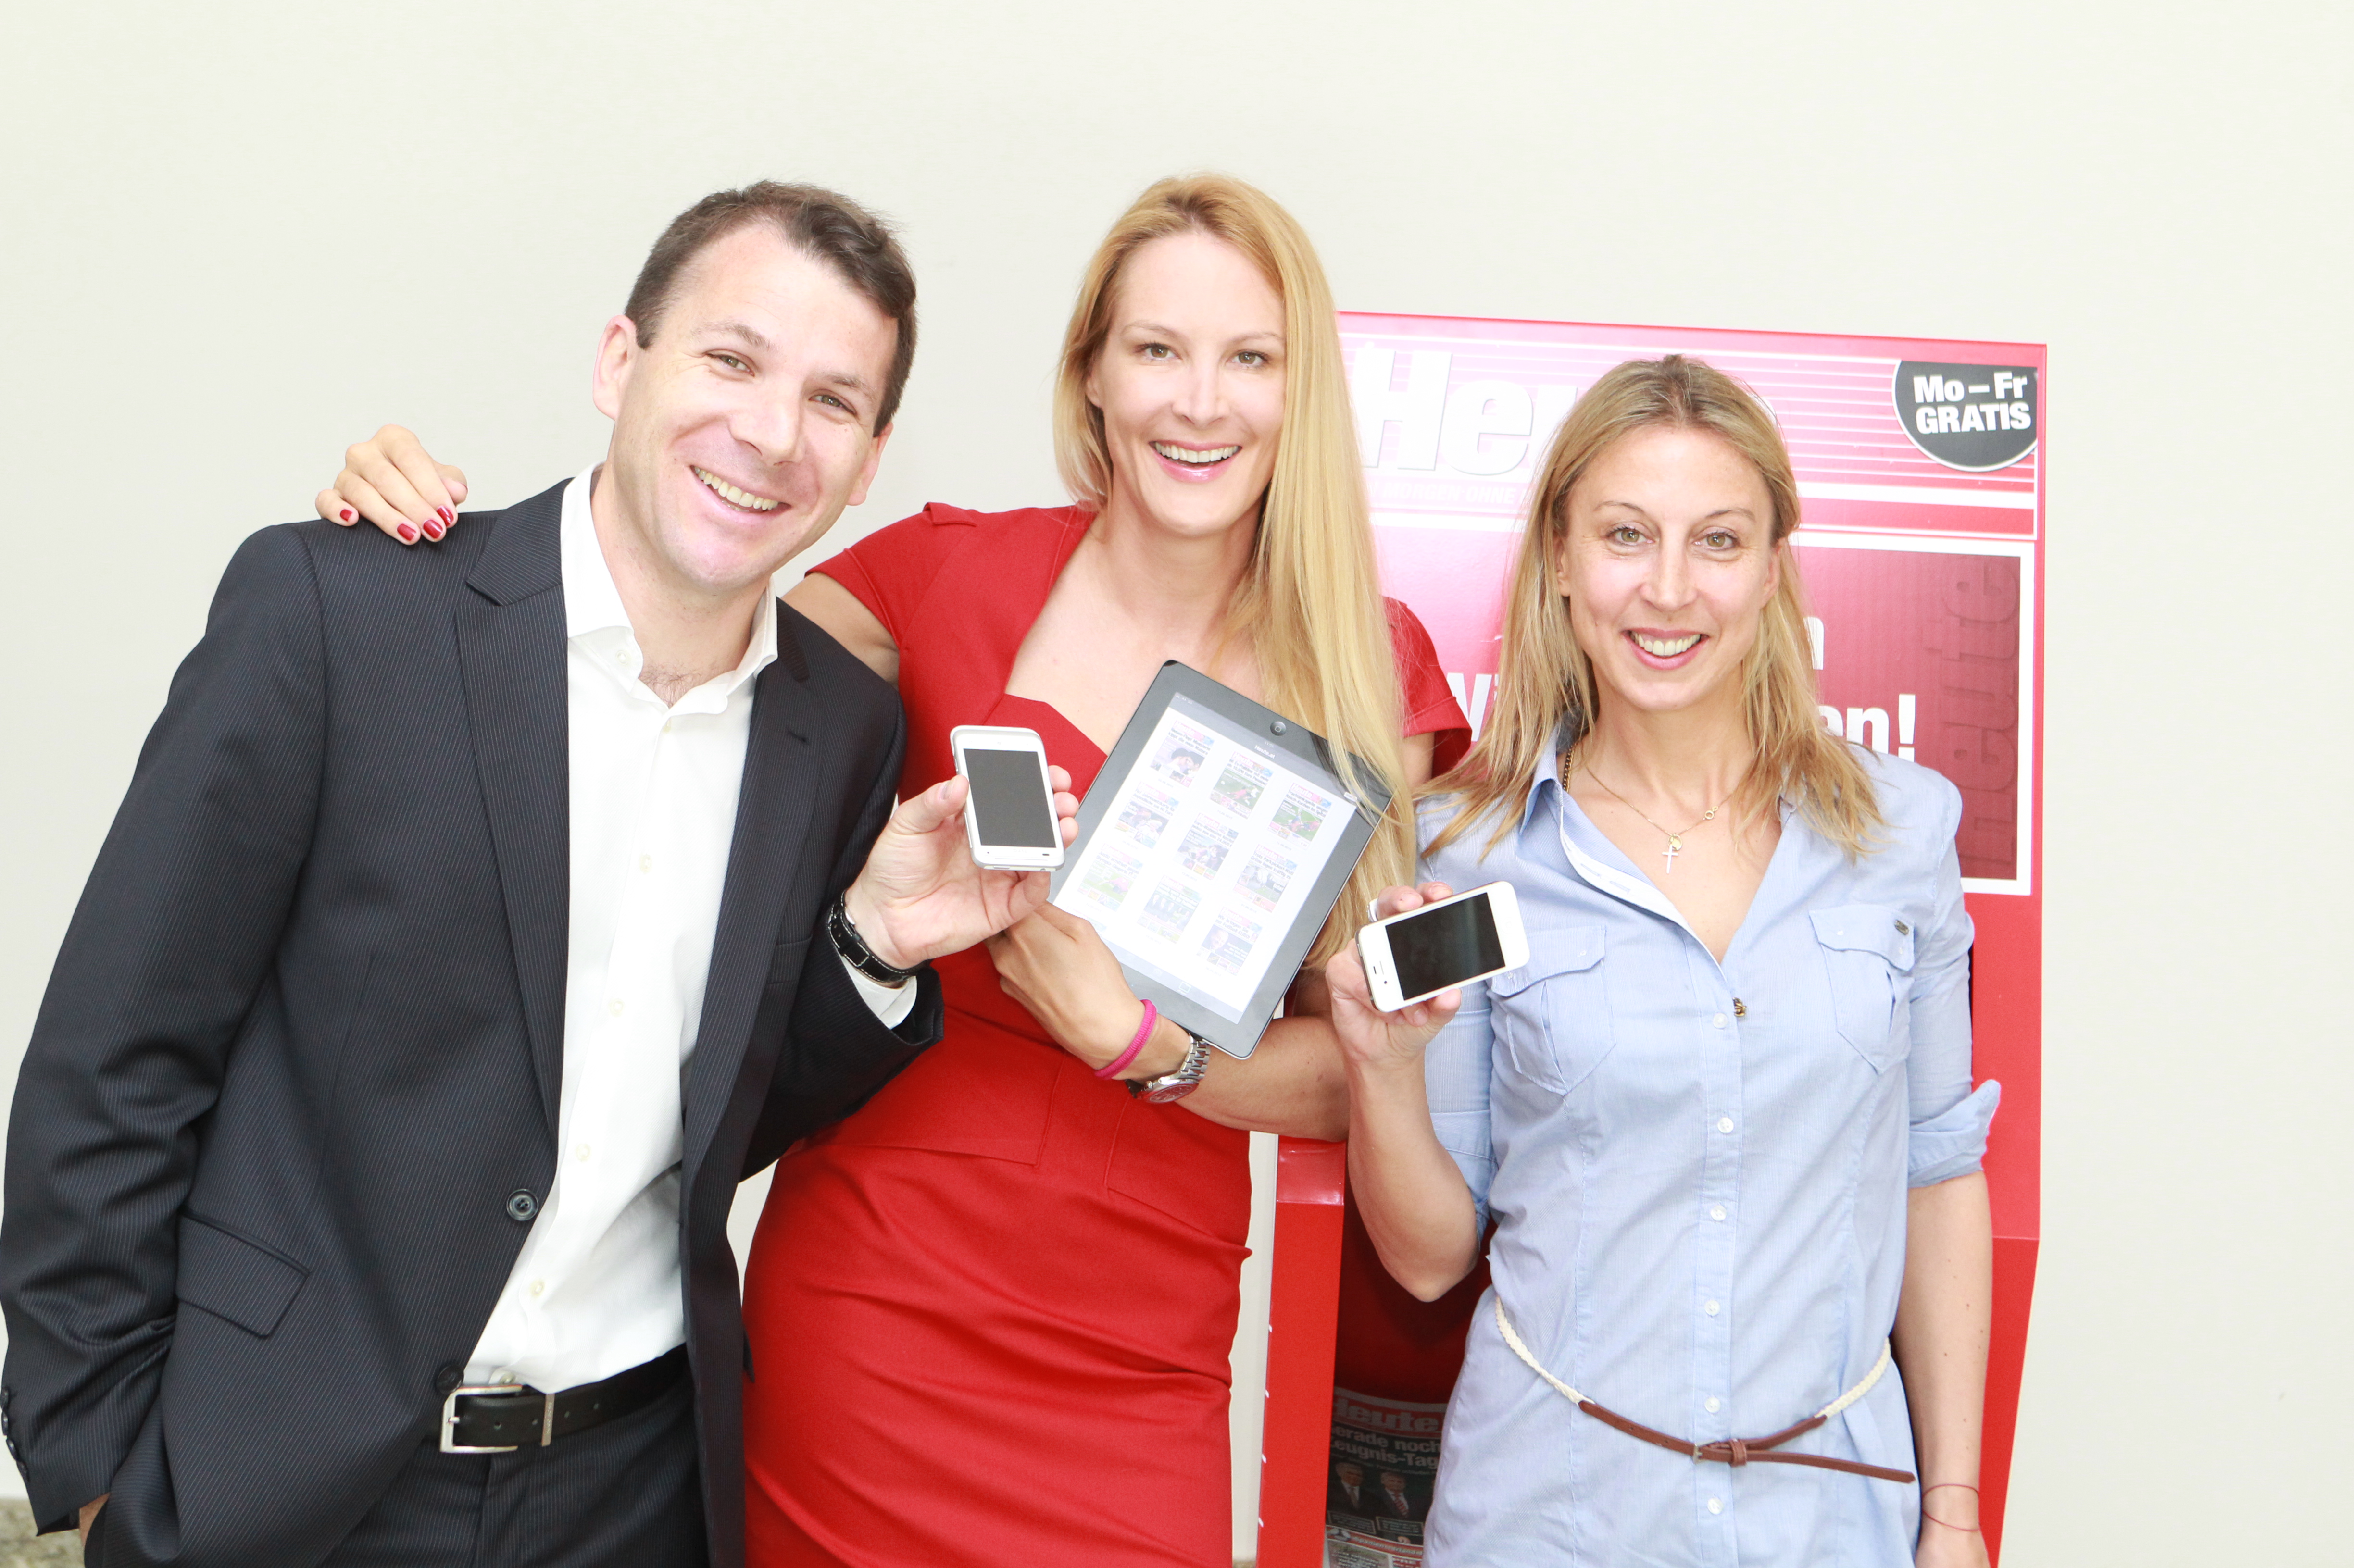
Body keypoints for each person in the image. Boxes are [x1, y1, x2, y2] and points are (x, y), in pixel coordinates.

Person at [315, 173, 1470, 1566]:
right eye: (1157, 349)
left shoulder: (1366, 667)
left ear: (1305, 392)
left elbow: (1357, 1071)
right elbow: (658, 631)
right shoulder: (930, 579)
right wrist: (433, 552)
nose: (1200, 401)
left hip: (1141, 1352)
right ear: (1092, 375)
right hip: (870, 1311)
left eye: (1252, 359)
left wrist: (1138, 1044)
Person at [1, 181, 1076, 1568]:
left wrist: (870, 939)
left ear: (868, 462)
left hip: (631, 1490)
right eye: (732, 359)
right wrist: (101, 1473)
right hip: (287, 1483)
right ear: (620, 362)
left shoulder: (844, 729)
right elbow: (113, 1063)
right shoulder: (342, 609)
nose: (771, 434)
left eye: (832, 401)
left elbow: (710, 1116)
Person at [1329, 356, 1999, 1566]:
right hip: (1548, 1518)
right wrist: (1381, 1070)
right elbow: (1429, 1261)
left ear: (1775, 568)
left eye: (1720, 540)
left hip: (1831, 1521)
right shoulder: (1462, 851)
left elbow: (1938, 1176)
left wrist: (1952, 1509)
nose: (1671, 589)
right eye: (1627, 535)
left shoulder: (1906, 832)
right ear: (1562, 560)